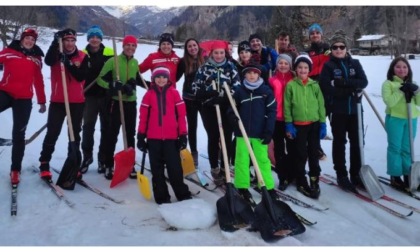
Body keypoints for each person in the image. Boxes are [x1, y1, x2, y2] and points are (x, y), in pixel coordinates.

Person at [319, 31, 368, 192]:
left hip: (355, 110)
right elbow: (327, 87)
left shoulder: (355, 63)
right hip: (337, 111)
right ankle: (341, 174)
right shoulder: (328, 66)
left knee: (357, 142)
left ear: (346, 48)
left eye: (341, 47)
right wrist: (349, 90)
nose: (338, 50)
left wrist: (341, 82)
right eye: (335, 47)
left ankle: (356, 173)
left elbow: (363, 81)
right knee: (340, 142)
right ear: (331, 50)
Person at [137, 66, 192, 204]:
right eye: (158, 77)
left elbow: (181, 115)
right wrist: (140, 135)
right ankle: (162, 197)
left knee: (175, 169)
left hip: (171, 138)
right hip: (153, 139)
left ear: (168, 79)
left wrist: (183, 134)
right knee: (157, 170)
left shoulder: (174, 93)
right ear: (153, 79)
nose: (161, 80)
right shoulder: (148, 95)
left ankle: (182, 193)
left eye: (164, 77)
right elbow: (143, 117)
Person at [39, 28, 88, 180]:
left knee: (74, 135)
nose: (69, 43)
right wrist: (55, 42)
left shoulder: (82, 56)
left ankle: (73, 163)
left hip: (77, 102)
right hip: (58, 101)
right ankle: (44, 162)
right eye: (66, 40)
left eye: (72, 40)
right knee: (52, 132)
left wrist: (68, 64)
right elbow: (47, 61)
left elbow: (81, 76)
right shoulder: (56, 55)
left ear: (75, 41)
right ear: (63, 41)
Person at [0, 28, 46, 184]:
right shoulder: (9, 52)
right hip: (5, 93)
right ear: (22, 39)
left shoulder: (36, 59)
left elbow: (38, 80)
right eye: (27, 38)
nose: (30, 41)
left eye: (33, 40)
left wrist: (42, 100)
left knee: (19, 135)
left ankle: (15, 170)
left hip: (24, 99)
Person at [192, 40, 241, 186]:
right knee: (213, 136)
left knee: (226, 136)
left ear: (225, 53)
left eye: (221, 52)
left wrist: (227, 95)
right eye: (216, 53)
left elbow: (237, 87)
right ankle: (214, 167)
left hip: (227, 107)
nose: (219, 56)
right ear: (211, 53)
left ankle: (226, 165)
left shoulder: (231, 67)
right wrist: (208, 94)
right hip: (209, 108)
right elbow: (195, 89)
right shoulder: (204, 68)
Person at [227, 64, 277, 204]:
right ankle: (242, 186)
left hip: (260, 133)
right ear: (244, 75)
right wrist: (232, 116)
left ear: (259, 75)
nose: (251, 75)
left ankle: (266, 186)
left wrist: (268, 131)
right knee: (241, 159)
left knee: (262, 160)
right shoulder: (239, 91)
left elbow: (272, 112)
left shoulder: (266, 91)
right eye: (248, 73)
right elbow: (232, 108)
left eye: (254, 73)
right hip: (242, 133)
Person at [97, 35, 142, 180]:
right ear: (123, 46)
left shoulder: (135, 62)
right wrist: (112, 85)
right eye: (128, 45)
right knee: (112, 134)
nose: (130, 48)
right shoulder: (113, 61)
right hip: (116, 102)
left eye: (133, 45)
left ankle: (130, 164)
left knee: (130, 134)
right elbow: (100, 79)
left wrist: (133, 84)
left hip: (131, 102)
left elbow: (137, 79)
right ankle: (108, 164)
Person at [284, 55, 326, 199]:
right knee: (300, 154)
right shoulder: (291, 85)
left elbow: (321, 104)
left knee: (314, 153)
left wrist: (322, 123)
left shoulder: (314, 85)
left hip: (314, 125)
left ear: (309, 69)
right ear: (295, 69)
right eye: (300, 67)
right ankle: (301, 180)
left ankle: (314, 178)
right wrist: (289, 124)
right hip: (298, 126)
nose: (303, 70)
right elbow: (287, 106)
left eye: (305, 67)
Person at [381, 56, 420, 191]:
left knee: (407, 149)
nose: (401, 70)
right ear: (393, 69)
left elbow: (419, 103)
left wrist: (416, 91)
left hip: (411, 118)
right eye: (398, 67)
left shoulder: (413, 82)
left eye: (404, 67)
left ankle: (407, 174)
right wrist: (400, 90)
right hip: (395, 119)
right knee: (395, 148)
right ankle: (395, 176)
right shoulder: (388, 84)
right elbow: (389, 102)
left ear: (408, 69)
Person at [79, 25, 114, 174]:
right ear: (88, 38)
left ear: (101, 38)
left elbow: (114, 73)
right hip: (89, 96)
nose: (94, 39)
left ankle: (103, 158)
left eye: (97, 36)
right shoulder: (81, 54)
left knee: (106, 128)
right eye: (92, 36)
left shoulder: (110, 53)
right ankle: (87, 157)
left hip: (106, 96)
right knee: (87, 127)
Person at [176, 38, 205, 166]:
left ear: (198, 46)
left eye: (194, 45)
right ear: (186, 49)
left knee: (210, 127)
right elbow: (175, 77)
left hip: (204, 99)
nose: (192, 48)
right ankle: (194, 153)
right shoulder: (183, 62)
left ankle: (218, 150)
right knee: (192, 127)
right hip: (189, 99)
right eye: (189, 46)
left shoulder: (205, 59)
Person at [268, 53, 296, 190]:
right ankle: (283, 177)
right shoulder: (272, 80)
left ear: (290, 65)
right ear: (277, 65)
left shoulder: (295, 79)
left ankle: (292, 173)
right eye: (280, 63)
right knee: (278, 150)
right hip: (276, 119)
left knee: (292, 148)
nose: (283, 65)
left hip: (292, 119)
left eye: (286, 63)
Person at [306, 23, 330, 161]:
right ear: (309, 36)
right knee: (312, 117)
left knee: (323, 116)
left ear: (321, 34)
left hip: (326, 87)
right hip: (312, 86)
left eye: (317, 33)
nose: (315, 35)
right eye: (312, 33)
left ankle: (318, 144)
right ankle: (315, 146)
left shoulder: (328, 48)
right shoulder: (307, 51)